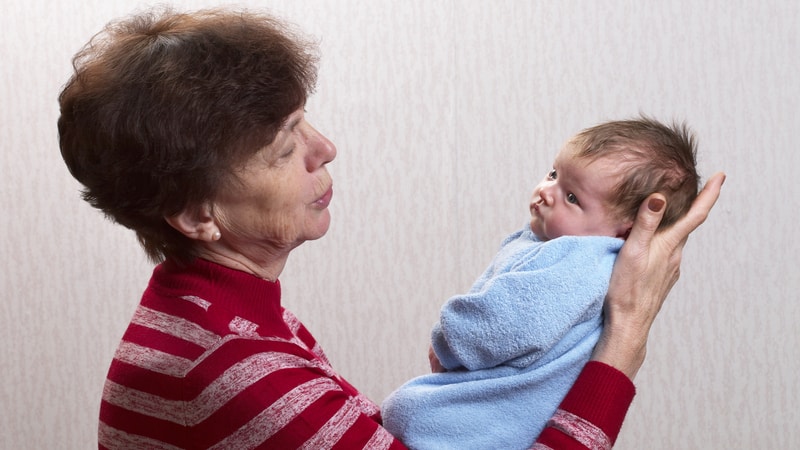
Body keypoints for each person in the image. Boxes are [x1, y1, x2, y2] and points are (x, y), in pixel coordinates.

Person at [56, 6, 725, 450]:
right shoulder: (233, 367)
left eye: (303, 120)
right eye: (284, 146)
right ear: (198, 215)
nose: (325, 148)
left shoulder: (223, 317)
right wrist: (627, 336)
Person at [381, 118, 700, 450]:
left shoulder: (579, 262)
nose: (547, 193)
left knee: (416, 412)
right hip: (515, 421)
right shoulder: (554, 245)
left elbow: (504, 324)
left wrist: (449, 340)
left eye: (573, 197)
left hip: (495, 427)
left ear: (624, 229)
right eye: (553, 175)